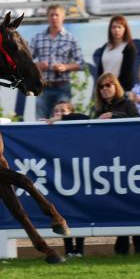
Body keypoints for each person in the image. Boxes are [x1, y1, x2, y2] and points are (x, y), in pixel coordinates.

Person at [93, 74, 140, 254]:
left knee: (137, 202)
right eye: (101, 86)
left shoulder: (127, 104)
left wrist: (113, 115)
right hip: (110, 161)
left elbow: (136, 121)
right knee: (119, 203)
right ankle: (122, 243)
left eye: (108, 85)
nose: (105, 89)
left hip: (131, 161)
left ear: (116, 86)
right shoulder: (98, 109)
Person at [46, 101, 88, 257]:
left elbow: (85, 117)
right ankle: (69, 249)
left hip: (78, 174)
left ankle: (80, 249)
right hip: (61, 176)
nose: (58, 114)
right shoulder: (49, 130)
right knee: (63, 211)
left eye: (63, 111)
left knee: (80, 210)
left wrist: (61, 119)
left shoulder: (77, 126)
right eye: (56, 111)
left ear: (70, 112)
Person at [30, 4, 85, 119]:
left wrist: (65, 67)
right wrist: (37, 65)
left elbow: (81, 63)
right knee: (41, 120)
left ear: (63, 17)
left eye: (57, 15)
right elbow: (26, 61)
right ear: (47, 17)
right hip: (43, 86)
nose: (54, 17)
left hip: (62, 86)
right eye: (51, 15)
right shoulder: (37, 38)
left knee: (63, 119)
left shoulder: (71, 38)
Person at [95, 15, 136, 91]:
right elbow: (100, 71)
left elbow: (127, 73)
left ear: (125, 29)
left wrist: (116, 87)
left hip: (121, 89)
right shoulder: (105, 47)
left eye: (119, 27)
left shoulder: (129, 47)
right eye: (114, 27)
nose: (116, 30)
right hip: (105, 88)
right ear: (110, 29)